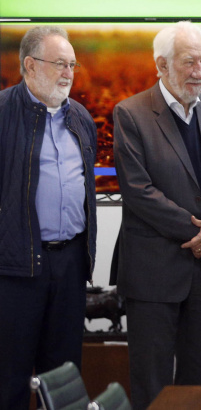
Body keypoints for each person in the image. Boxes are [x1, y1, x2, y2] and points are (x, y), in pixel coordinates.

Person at [112, 21, 201, 410]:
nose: (199, 72)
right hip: (152, 274)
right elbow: (138, 192)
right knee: (152, 384)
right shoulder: (131, 113)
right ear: (162, 65)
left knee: (200, 383)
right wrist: (200, 232)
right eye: (189, 62)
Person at [0, 26, 97, 410]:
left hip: (70, 263)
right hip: (16, 268)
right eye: (59, 63)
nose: (68, 72)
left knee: (63, 373)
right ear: (30, 65)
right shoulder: (3, 113)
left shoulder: (82, 118)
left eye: (72, 64)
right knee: (11, 374)